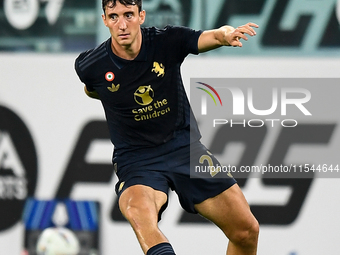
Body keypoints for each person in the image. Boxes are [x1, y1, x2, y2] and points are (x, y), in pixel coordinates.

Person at [75, 0, 259, 254]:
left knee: (246, 231)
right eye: (114, 17)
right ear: (104, 20)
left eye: (129, 14)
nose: (122, 24)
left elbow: (208, 37)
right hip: (137, 159)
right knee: (138, 212)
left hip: (183, 148)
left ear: (141, 16)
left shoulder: (166, 41)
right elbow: (92, 89)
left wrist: (225, 35)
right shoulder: (89, 65)